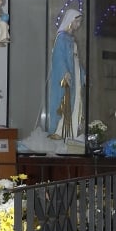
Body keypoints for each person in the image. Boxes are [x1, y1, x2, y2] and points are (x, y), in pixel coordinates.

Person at [47, 8, 85, 141]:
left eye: (80, 22)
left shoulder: (71, 39)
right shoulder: (61, 38)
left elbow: (76, 58)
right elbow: (58, 57)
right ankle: (58, 130)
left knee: (75, 100)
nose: (78, 25)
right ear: (70, 21)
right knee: (63, 100)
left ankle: (71, 131)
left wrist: (82, 74)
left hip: (75, 71)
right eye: (77, 21)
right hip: (67, 73)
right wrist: (64, 72)